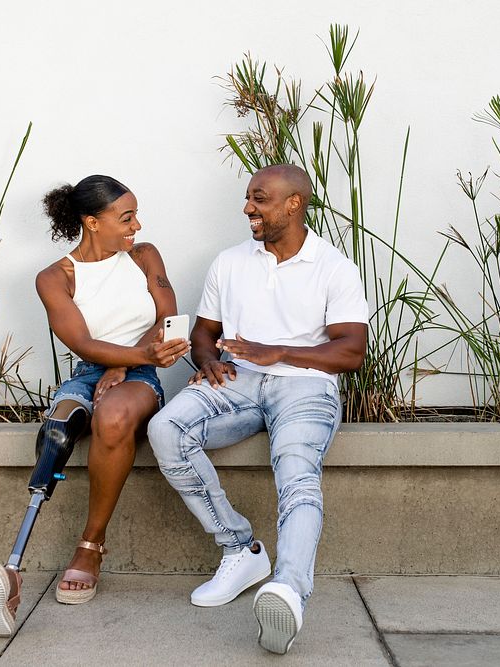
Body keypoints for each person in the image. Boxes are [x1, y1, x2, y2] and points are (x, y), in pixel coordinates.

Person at [147, 164, 368, 654]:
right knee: (166, 429)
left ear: (294, 203)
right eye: (248, 197)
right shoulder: (230, 262)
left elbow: (351, 351)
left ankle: (288, 591)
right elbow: (205, 330)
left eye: (260, 199)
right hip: (238, 379)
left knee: (297, 472)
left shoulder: (334, 266)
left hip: (305, 387)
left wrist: (280, 352)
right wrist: (205, 359)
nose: (248, 208)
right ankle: (240, 548)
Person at [0, 175, 189, 636]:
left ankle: (90, 545)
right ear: (91, 221)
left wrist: (126, 366)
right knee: (58, 432)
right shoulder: (54, 277)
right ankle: (11, 567)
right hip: (88, 372)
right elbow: (83, 342)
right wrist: (119, 360)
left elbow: (168, 320)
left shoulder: (144, 255)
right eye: (126, 217)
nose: (137, 225)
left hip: (141, 375)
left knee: (113, 415)